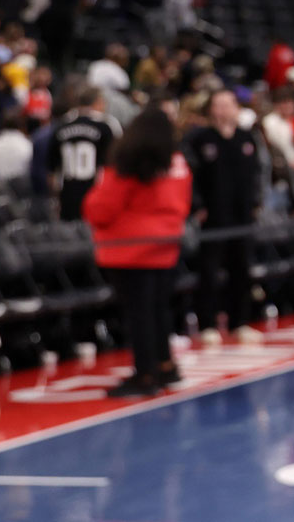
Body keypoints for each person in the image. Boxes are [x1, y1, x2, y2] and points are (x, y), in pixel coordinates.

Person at [81, 107, 191, 398]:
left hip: (129, 249)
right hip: (166, 244)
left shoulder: (129, 163)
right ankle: (165, 365)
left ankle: (145, 374)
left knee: (138, 313)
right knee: (159, 309)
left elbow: (102, 208)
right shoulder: (177, 162)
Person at [185, 90, 264, 345]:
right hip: (213, 217)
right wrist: (197, 205)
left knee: (241, 269)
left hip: (242, 217)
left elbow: (258, 173)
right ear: (210, 109)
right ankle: (207, 324)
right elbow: (191, 176)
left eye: (229, 104)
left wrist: (256, 202)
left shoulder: (246, 138)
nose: (224, 110)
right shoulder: (199, 139)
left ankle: (239, 322)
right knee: (209, 271)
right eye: (219, 105)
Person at [49, 86, 121, 221]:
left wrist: (55, 197)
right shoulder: (106, 124)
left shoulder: (62, 125)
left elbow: (52, 169)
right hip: (95, 192)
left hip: (68, 193)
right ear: (98, 102)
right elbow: (114, 164)